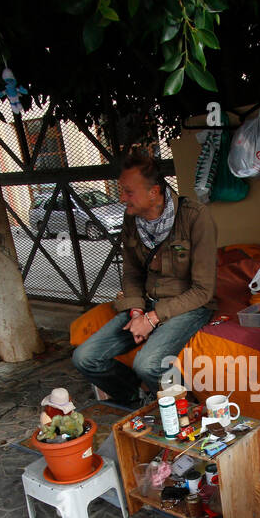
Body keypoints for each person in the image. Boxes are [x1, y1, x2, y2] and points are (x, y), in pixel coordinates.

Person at [71, 148, 217, 406]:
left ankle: (189, 413)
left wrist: (153, 318)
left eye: (128, 191)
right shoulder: (131, 220)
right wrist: (137, 311)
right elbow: (131, 273)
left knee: (148, 364)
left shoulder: (194, 216)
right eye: (121, 190)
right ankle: (141, 402)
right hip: (148, 303)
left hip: (188, 306)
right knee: (84, 357)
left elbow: (203, 290)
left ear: (154, 192)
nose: (122, 198)